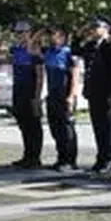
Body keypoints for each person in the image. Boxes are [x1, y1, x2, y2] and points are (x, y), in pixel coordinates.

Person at [80, 17, 111, 176]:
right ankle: (101, 156)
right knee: (98, 126)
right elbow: (77, 48)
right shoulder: (90, 46)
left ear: (106, 28)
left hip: (107, 92)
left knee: (109, 127)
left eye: (97, 27)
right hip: (93, 92)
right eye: (92, 27)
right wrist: (81, 33)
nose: (93, 30)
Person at [42, 25, 80, 172]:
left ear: (63, 37)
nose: (52, 38)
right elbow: (31, 47)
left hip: (65, 95)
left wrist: (71, 96)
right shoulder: (49, 51)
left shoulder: (69, 53)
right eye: (51, 35)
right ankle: (61, 157)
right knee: (55, 128)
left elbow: (75, 76)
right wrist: (41, 31)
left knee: (67, 129)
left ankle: (70, 160)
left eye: (56, 35)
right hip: (53, 94)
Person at [8, 21, 44, 169]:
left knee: (33, 126)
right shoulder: (16, 49)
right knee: (23, 125)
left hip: (31, 91)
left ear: (29, 33)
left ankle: (35, 157)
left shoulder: (35, 51)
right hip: (18, 90)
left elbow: (40, 75)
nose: (20, 35)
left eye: (23, 32)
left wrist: (37, 96)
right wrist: (3, 36)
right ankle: (27, 155)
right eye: (17, 33)